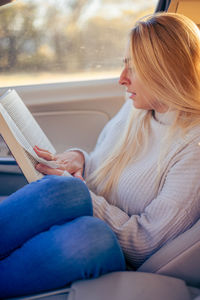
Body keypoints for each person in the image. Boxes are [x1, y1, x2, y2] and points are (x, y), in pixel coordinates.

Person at [1, 11, 200, 298]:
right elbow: (104, 163)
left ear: (165, 73)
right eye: (124, 65)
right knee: (65, 193)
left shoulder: (193, 150)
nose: (122, 79)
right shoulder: (139, 107)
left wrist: (83, 195)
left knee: (90, 233)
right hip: (86, 217)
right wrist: (78, 158)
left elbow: (148, 242)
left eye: (134, 69)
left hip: (119, 253)